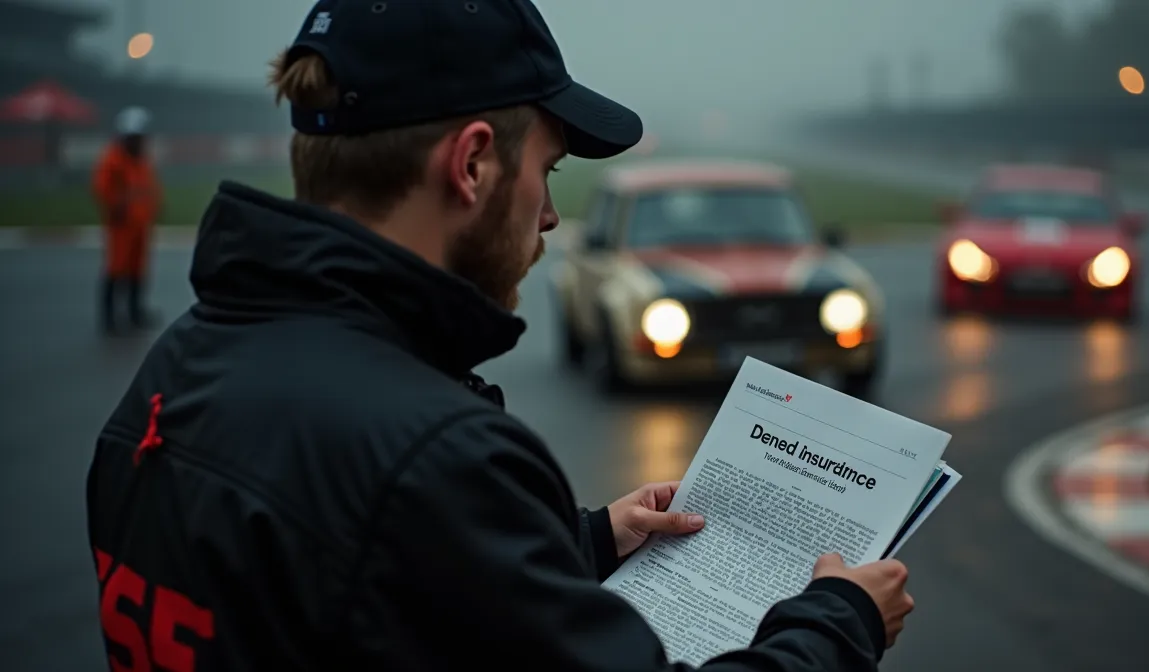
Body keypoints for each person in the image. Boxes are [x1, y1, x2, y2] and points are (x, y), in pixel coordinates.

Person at [84, 0, 915, 670]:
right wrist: (837, 625)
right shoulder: (434, 458)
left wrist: (580, 544)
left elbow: (364, 595)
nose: (549, 215)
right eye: (546, 172)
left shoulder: (177, 367)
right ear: (473, 164)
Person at [91, 105, 161, 334]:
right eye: (136, 137)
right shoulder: (112, 159)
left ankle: (135, 313)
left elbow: (150, 187)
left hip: (140, 224)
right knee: (116, 269)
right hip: (122, 226)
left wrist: (155, 207)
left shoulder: (141, 159)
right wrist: (116, 207)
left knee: (138, 270)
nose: (140, 141)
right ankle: (109, 319)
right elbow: (102, 188)